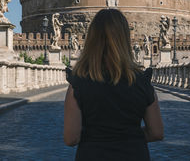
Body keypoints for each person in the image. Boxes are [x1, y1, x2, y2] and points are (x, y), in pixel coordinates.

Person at [64, 9, 163, 161]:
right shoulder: (142, 81)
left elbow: (71, 138)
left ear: (91, 39)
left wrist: (98, 136)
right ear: (125, 39)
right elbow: (156, 132)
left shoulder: (78, 83)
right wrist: (128, 135)